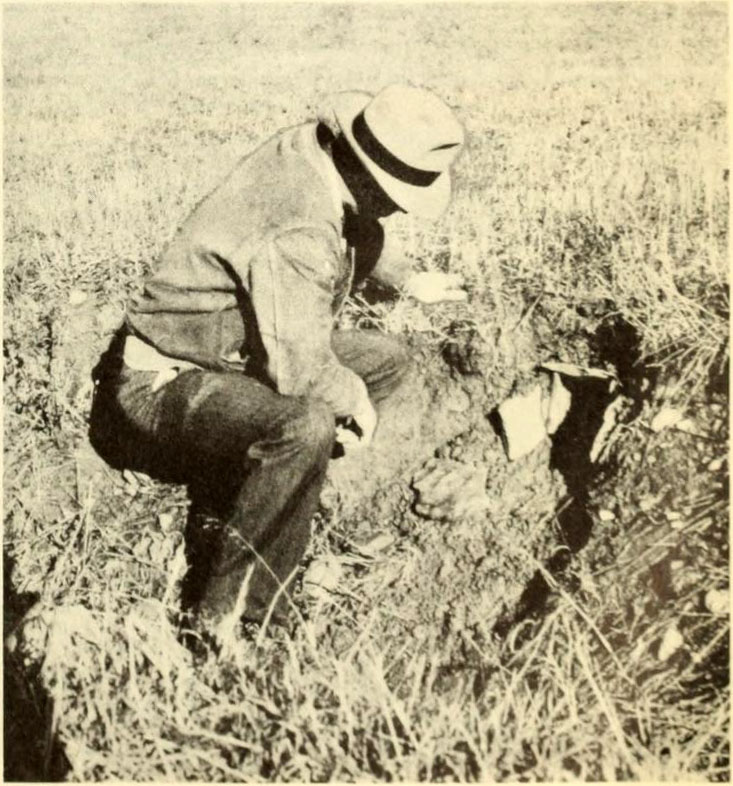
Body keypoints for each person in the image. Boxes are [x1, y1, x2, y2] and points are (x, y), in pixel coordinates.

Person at [90, 83, 467, 643]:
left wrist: (410, 280)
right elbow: (301, 374)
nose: (395, 209)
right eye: (394, 195)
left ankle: (274, 498)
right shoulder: (298, 227)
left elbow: (360, 226)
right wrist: (354, 402)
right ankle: (238, 618)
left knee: (385, 362)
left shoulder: (317, 153)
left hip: (232, 352)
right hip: (165, 379)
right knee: (305, 423)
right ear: (366, 171)